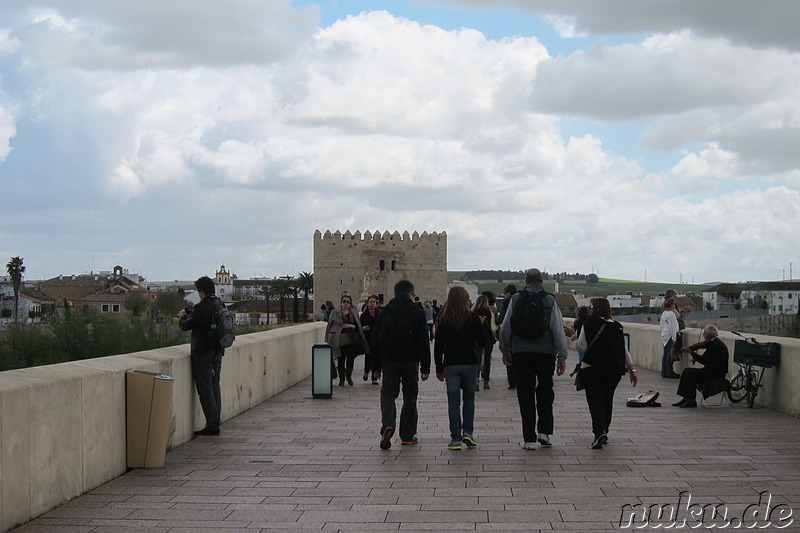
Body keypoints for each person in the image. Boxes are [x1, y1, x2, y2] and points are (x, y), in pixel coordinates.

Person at [499, 268, 569, 450]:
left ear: (526, 280)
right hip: (545, 353)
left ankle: (529, 438)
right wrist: (562, 356)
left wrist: (505, 349)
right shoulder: (549, 299)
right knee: (545, 391)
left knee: (525, 394)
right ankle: (544, 432)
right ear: (542, 281)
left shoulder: (516, 298)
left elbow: (506, 326)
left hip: (521, 352)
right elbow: (557, 330)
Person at [370, 280, 431, 449]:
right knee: (410, 396)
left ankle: (388, 424)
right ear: (411, 294)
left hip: (389, 361)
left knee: (388, 394)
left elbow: (375, 340)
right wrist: (426, 367)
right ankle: (407, 435)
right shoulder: (416, 311)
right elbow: (423, 341)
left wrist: (375, 366)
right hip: (411, 361)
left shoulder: (385, 311)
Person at [574, 298, 638, 449]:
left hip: (592, 368)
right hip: (613, 370)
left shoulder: (589, 323)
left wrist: (574, 337)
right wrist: (632, 368)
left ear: (595, 308)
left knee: (595, 401)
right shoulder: (616, 326)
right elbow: (623, 349)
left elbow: (582, 348)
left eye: (591, 307)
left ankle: (599, 432)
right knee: (607, 400)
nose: (589, 309)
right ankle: (605, 430)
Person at [434, 286, 486, 450]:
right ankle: (468, 433)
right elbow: (483, 342)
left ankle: (455, 438)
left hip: (451, 364)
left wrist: (438, 367)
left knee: (453, 402)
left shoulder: (444, 319)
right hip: (470, 363)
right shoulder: (473, 318)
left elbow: (438, 346)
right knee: (469, 398)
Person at [179, 276, 225, 436]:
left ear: (201, 291)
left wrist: (184, 316)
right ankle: (216, 420)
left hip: (203, 354)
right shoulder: (220, 304)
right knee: (215, 386)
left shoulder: (202, 307)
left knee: (205, 389)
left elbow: (186, 325)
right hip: (217, 352)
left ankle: (212, 425)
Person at [672, 325, 729, 408]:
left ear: (707, 335)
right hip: (712, 370)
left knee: (690, 373)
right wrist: (694, 356)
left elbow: (703, 360)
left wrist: (691, 352)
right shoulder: (714, 342)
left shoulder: (715, 345)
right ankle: (686, 398)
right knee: (687, 371)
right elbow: (706, 356)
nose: (703, 335)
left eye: (704, 333)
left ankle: (691, 400)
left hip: (715, 373)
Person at [326, 294, 370, 386]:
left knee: (350, 358)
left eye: (348, 302)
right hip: (339, 339)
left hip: (351, 339)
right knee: (341, 359)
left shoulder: (354, 312)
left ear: (350, 303)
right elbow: (329, 325)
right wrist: (328, 338)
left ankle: (349, 377)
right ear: (341, 303)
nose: (346, 303)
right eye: (344, 301)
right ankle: (342, 379)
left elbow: (357, 325)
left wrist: (350, 326)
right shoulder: (335, 312)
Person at [472, 294, 496, 390]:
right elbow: (493, 326)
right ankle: (486, 382)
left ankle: (476, 381)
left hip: (477, 338)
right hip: (488, 338)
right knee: (487, 360)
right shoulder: (489, 312)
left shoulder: (474, 312)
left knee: (477, 360)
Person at [498, 284, 517, 389]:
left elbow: (502, 321)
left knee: (509, 357)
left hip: (510, 334)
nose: (504, 295)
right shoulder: (520, 300)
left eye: (505, 292)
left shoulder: (506, 303)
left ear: (509, 292)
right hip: (519, 334)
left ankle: (512, 382)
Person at [360, 295, 381, 384]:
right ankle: (366, 371)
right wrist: (364, 328)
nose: (372, 303)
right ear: (367, 303)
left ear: (376, 304)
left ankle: (374, 376)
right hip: (368, 338)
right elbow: (359, 326)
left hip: (377, 338)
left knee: (376, 357)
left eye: (374, 302)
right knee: (368, 356)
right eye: (370, 302)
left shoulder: (380, 314)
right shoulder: (364, 315)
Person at [660, 298, 681, 378]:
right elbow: (673, 327)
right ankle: (669, 372)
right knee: (670, 355)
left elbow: (661, 326)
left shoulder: (664, 313)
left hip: (664, 335)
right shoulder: (671, 314)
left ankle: (664, 372)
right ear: (672, 305)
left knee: (665, 355)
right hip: (669, 336)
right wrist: (674, 338)